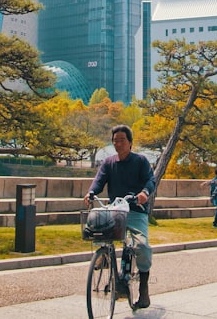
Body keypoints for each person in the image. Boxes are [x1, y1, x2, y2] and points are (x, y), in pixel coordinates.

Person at [85, 125, 156, 308]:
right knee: (99, 231)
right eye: (115, 140)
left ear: (130, 143)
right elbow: (99, 181)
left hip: (136, 210)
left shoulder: (140, 161)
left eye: (122, 140)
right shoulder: (108, 163)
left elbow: (150, 180)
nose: (118, 143)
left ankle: (144, 290)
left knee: (141, 246)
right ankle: (104, 257)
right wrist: (91, 193)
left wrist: (144, 193)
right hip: (115, 210)